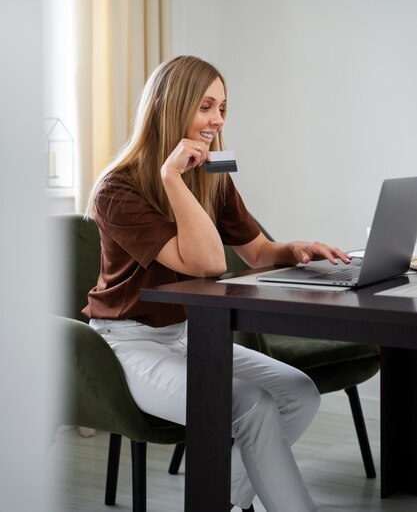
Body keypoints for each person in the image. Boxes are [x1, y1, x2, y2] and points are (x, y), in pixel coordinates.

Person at [84, 55, 351, 512]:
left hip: (191, 335)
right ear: (171, 106)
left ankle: (218, 500)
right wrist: (172, 177)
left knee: (299, 393)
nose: (218, 120)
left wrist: (295, 249)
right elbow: (206, 264)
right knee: (253, 405)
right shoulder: (118, 189)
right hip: (128, 345)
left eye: (222, 107)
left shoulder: (213, 178)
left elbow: (258, 253)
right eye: (206, 106)